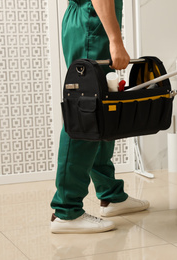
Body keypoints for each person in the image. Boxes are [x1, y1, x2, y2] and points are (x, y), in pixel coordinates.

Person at [50, 0, 149, 234]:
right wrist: (115, 40)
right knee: (85, 112)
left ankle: (111, 195)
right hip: (91, 23)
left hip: (91, 22)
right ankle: (66, 211)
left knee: (101, 110)